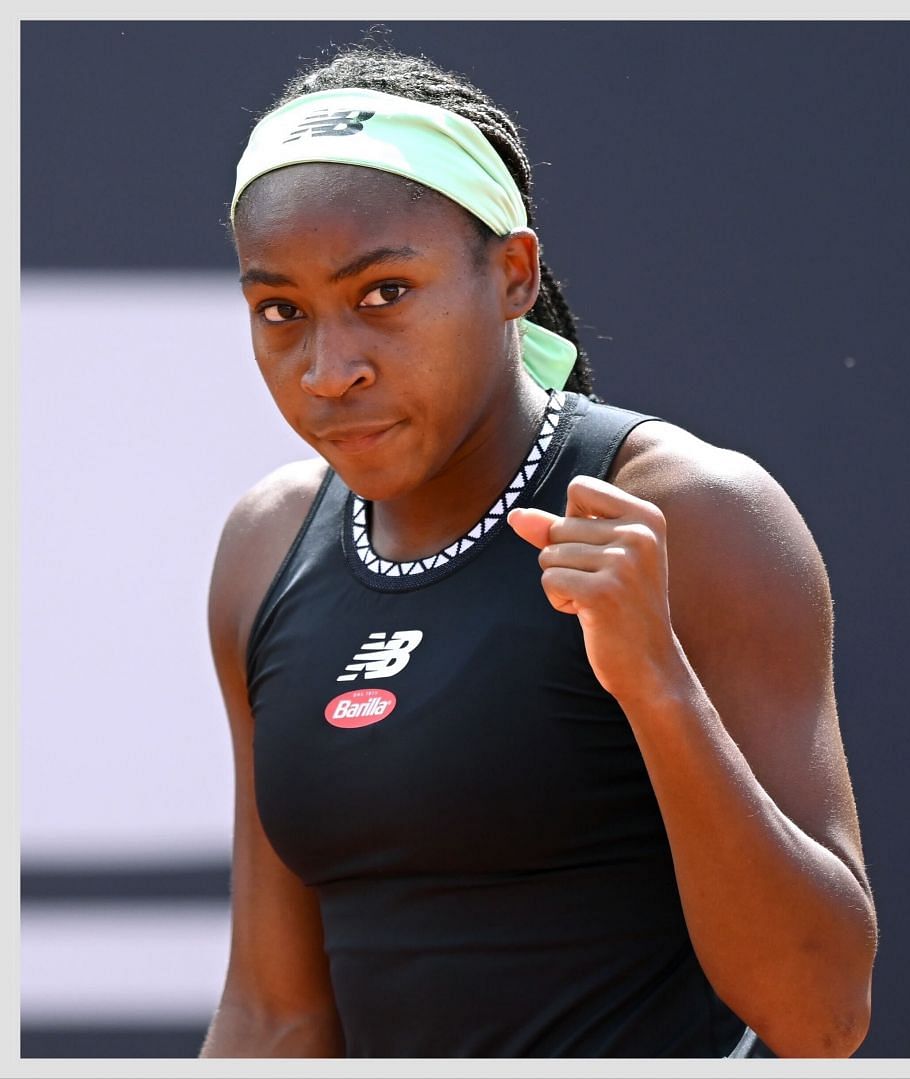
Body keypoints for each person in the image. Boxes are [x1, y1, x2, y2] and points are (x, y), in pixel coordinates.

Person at [201, 44, 875, 1058]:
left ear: (511, 274)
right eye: (281, 312)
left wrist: (657, 683)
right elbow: (272, 1010)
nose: (329, 368)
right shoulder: (267, 546)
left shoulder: (695, 511)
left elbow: (820, 1015)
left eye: (383, 292)